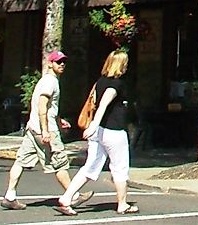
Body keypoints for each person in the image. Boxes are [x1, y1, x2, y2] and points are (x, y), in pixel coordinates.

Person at [0, 51, 92, 211]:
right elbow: (42, 106)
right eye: (58, 62)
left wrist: (58, 119)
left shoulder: (45, 81)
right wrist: (46, 130)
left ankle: (10, 196)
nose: (62, 64)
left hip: (33, 128)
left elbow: (46, 108)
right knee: (60, 162)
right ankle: (73, 196)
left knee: (21, 160)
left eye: (63, 62)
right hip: (44, 129)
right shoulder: (50, 82)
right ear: (50, 64)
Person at [57, 50, 138, 216]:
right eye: (125, 63)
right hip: (114, 131)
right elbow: (103, 104)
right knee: (120, 169)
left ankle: (66, 197)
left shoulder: (100, 81)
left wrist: (95, 127)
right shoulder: (116, 84)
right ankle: (122, 204)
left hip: (100, 133)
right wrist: (93, 124)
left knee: (90, 167)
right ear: (121, 64)